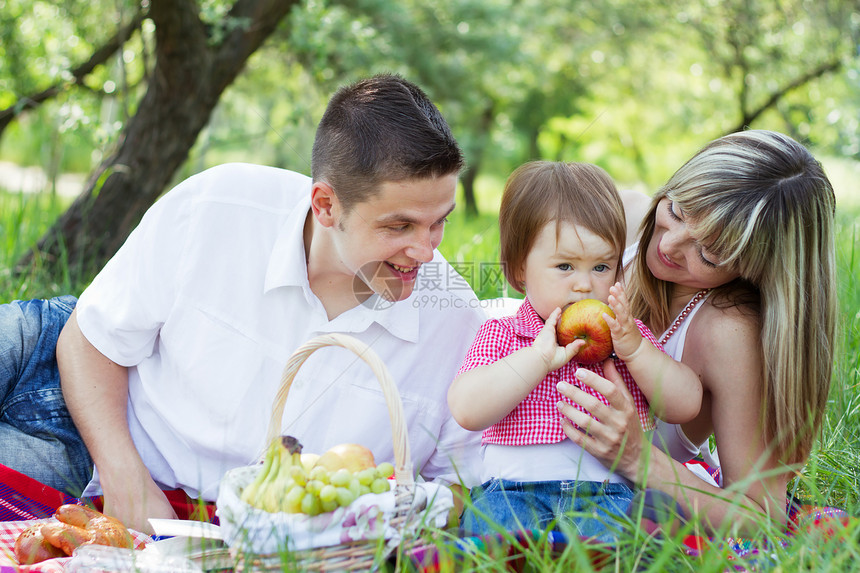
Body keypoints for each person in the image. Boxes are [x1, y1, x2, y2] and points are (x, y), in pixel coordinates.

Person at [2, 74, 486, 533]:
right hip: (87, 398)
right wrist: (125, 475)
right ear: (325, 205)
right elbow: (89, 338)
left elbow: (459, 488)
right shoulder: (219, 206)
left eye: (439, 221)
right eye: (398, 226)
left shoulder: (456, 324)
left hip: (83, 473)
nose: (426, 251)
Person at [555, 130, 837, 534]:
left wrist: (639, 458)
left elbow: (763, 517)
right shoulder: (625, 224)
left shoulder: (726, 332)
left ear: (756, 267)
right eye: (679, 210)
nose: (668, 244)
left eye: (709, 252)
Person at [446, 161, 703, 539]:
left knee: (626, 547)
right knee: (493, 547)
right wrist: (536, 359)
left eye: (602, 267)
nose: (584, 285)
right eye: (565, 266)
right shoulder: (504, 334)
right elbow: (467, 409)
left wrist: (635, 350)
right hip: (510, 494)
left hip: (607, 496)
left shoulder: (626, 338)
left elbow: (684, 405)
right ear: (520, 271)